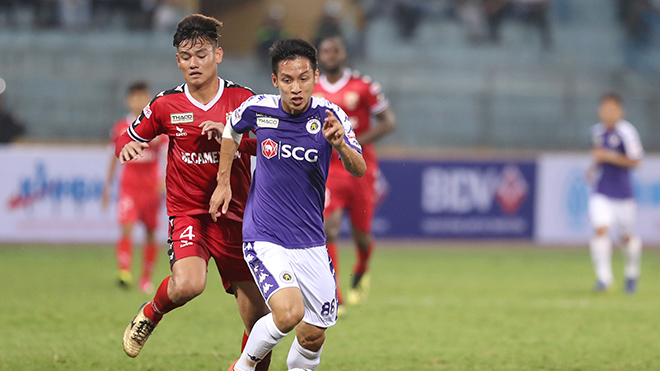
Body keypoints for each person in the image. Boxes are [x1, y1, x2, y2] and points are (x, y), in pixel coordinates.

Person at [116, 14, 272, 369]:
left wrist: (232, 135)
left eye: (201, 55)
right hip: (188, 213)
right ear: (177, 61)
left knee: (259, 324)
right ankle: (150, 313)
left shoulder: (243, 99)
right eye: (186, 57)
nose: (193, 63)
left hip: (237, 217)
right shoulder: (165, 105)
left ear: (218, 55)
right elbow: (128, 136)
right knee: (188, 285)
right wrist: (126, 148)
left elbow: (270, 144)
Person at [210, 39, 365, 371]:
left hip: (310, 240)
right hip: (264, 234)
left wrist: (341, 146)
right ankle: (243, 368)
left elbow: (359, 168)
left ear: (315, 77)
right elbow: (231, 130)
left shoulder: (330, 115)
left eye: (304, 78)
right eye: (288, 79)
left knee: (313, 334)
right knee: (289, 312)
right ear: (275, 80)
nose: (297, 87)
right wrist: (223, 181)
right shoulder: (258, 108)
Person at [313, 36, 396, 312]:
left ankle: (362, 265)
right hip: (331, 169)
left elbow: (388, 122)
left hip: (361, 168)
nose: (331, 55)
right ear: (320, 56)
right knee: (329, 229)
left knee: (362, 234)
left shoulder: (364, 86)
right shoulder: (312, 89)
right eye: (326, 50)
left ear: (343, 54)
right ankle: (335, 297)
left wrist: (356, 142)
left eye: (335, 50)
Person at [101, 80, 165, 293]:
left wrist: (164, 180)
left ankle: (146, 278)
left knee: (149, 232)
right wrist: (108, 186)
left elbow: (168, 155)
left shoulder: (156, 127)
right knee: (126, 227)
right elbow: (113, 156)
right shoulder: (121, 127)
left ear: (148, 99)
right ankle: (124, 271)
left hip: (150, 190)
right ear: (129, 100)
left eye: (142, 97)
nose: (138, 101)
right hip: (129, 187)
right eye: (135, 97)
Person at [586, 93, 644, 294]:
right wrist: (592, 168)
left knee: (626, 238)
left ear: (620, 111)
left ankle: (631, 271)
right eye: (604, 108)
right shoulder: (597, 132)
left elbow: (636, 161)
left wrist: (608, 156)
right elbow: (598, 156)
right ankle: (604, 278)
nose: (607, 113)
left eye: (612, 108)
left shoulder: (627, 132)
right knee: (600, 229)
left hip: (623, 194)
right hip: (602, 191)